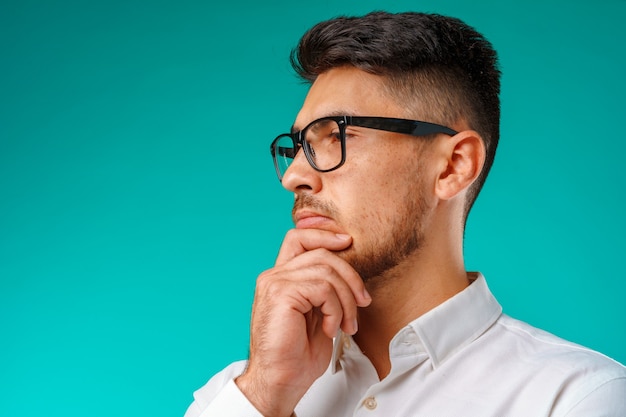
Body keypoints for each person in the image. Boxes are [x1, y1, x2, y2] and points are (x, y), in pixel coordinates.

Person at [184, 11, 626, 417]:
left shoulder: (577, 397)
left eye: (336, 135)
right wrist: (266, 392)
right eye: (298, 146)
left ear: (453, 166)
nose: (295, 176)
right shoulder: (238, 395)